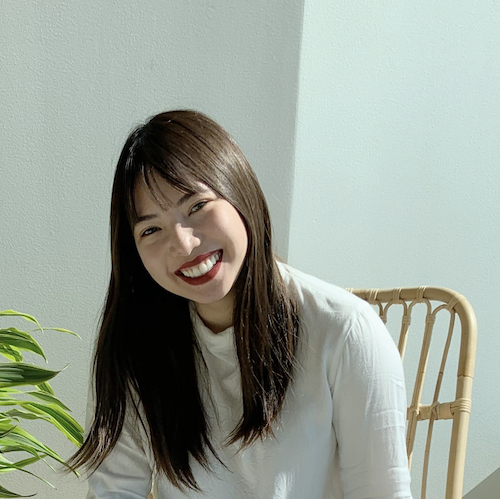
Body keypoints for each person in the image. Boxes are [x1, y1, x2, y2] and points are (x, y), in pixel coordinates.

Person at [70, 110, 412, 499]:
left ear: (238, 191)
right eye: (151, 229)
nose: (183, 244)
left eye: (197, 206)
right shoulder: (136, 349)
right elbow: (115, 492)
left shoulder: (345, 332)